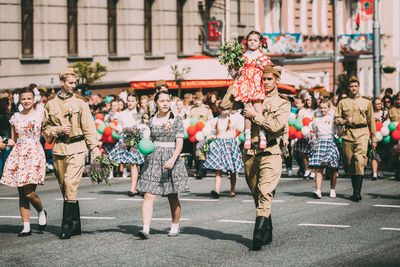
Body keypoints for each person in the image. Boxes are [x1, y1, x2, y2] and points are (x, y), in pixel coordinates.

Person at [221, 64, 290, 251]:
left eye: (269, 79)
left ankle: (257, 234)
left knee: (265, 190)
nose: (265, 82)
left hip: (270, 151)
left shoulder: (283, 102)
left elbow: (276, 126)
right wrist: (237, 80)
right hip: (250, 151)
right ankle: (267, 225)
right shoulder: (250, 94)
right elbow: (225, 105)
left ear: (277, 80)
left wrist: (254, 116)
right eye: (263, 78)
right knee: (257, 193)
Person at [43, 67, 101, 239]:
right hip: (59, 148)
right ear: (62, 83)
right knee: (65, 187)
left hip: (78, 147)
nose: (73, 86)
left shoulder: (80, 103)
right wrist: (58, 129)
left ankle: (66, 225)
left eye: (75, 83)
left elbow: (89, 128)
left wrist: (95, 150)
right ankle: (76, 224)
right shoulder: (50, 104)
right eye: (70, 83)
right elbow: (45, 128)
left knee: (70, 183)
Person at [136, 91, 189, 239]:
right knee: (148, 194)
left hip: (171, 156)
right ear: (156, 103)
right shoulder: (152, 120)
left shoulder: (177, 120)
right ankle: (145, 229)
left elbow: (180, 142)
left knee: (172, 195)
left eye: (167, 100)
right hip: (153, 158)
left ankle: (175, 225)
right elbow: (149, 140)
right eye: (162, 101)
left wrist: (173, 159)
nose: (165, 103)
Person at [0, 87, 49, 236]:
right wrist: (2, 142)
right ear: (19, 100)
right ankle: (26, 226)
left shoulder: (41, 114)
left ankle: (41, 211)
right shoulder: (15, 117)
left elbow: (48, 137)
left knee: (29, 193)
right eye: (23, 99)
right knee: (21, 193)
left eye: (29, 98)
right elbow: (14, 140)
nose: (26, 101)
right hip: (18, 154)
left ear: (33, 99)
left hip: (34, 152)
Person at [334, 76, 377, 202]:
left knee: (359, 159)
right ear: (348, 88)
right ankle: (354, 189)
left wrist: (374, 138)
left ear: (359, 87)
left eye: (355, 86)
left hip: (362, 132)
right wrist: (345, 120)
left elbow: (371, 121)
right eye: (351, 86)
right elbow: (336, 119)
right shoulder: (343, 102)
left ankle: (357, 192)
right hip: (348, 134)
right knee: (350, 162)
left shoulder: (366, 102)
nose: (353, 88)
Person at [230, 31, 272, 150]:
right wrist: (233, 69)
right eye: (250, 40)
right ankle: (247, 135)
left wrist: (276, 69)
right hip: (245, 84)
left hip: (257, 84)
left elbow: (270, 69)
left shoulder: (262, 57)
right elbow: (234, 74)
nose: (252, 42)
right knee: (247, 110)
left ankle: (262, 134)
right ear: (246, 42)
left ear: (260, 43)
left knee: (258, 107)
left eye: (255, 40)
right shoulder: (242, 57)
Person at [202, 104, 244, 198]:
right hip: (219, 144)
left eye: (227, 109)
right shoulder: (215, 120)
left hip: (231, 144)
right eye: (223, 109)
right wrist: (210, 135)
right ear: (219, 110)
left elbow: (242, 127)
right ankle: (217, 190)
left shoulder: (233, 119)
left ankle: (232, 189)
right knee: (218, 168)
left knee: (232, 169)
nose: (226, 111)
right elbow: (207, 130)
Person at [109, 94, 145, 196]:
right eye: (129, 101)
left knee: (137, 164)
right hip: (125, 139)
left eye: (132, 101)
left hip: (137, 139)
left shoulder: (140, 113)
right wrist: (114, 127)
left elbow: (143, 126)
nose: (130, 103)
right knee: (132, 164)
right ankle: (134, 188)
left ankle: (137, 187)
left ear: (136, 102)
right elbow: (120, 129)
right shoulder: (122, 114)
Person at [308, 99, 340, 199]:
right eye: (321, 107)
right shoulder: (316, 119)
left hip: (330, 141)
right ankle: (318, 191)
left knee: (332, 168)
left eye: (325, 107)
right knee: (319, 167)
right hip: (320, 141)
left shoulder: (333, 118)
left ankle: (332, 189)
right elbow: (314, 131)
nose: (323, 110)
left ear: (328, 108)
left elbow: (337, 131)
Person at [189, 92, 214, 178]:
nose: (197, 101)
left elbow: (211, 120)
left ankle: (202, 171)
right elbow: (189, 120)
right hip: (194, 134)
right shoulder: (192, 109)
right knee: (196, 152)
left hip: (204, 133)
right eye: (195, 99)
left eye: (198, 100)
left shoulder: (207, 109)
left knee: (203, 151)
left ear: (202, 100)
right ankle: (197, 170)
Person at [371, 98, 387, 180]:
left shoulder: (385, 113)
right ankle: (374, 173)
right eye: (377, 104)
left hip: (383, 136)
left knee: (382, 155)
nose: (378, 105)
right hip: (374, 136)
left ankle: (380, 170)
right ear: (373, 104)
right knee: (374, 154)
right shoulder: (371, 114)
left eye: (380, 103)